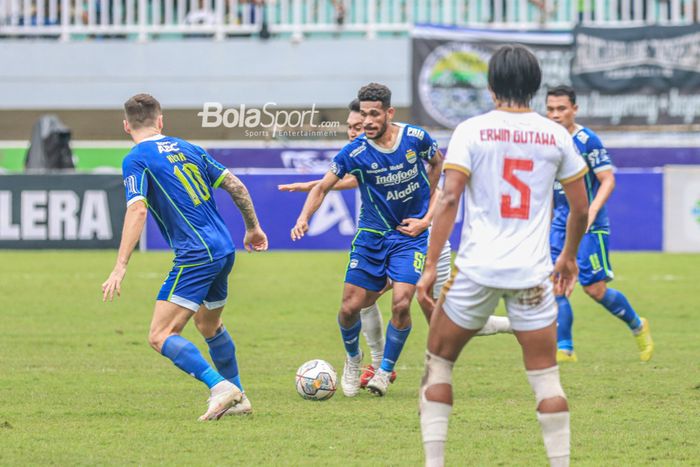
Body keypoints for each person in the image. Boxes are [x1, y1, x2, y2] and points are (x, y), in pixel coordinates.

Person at [417, 45, 589, 467]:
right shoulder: (556, 135)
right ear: (534, 87)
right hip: (532, 273)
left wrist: (428, 266)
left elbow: (449, 197)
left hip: (476, 269)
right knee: (546, 380)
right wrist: (567, 257)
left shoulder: (471, 130)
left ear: (491, 86)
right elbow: (581, 208)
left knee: (438, 366)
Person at [280, 99, 511, 387]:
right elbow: (351, 178)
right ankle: (377, 366)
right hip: (394, 237)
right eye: (353, 125)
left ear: (388, 114)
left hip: (428, 244)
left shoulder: (413, 146)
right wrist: (312, 190)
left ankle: (513, 324)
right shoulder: (359, 152)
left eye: (364, 120)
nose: (357, 129)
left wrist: (425, 221)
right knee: (364, 303)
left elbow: (438, 185)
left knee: (447, 319)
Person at [101, 93, 268, 421]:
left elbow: (137, 209)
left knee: (160, 335)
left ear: (126, 126)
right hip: (223, 248)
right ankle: (239, 397)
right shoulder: (189, 148)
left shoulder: (136, 158)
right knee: (209, 324)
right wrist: (253, 228)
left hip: (196, 254)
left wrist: (120, 266)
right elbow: (236, 186)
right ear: (160, 121)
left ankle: (220, 388)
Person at [291, 83, 444, 397]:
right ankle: (353, 359)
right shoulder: (354, 152)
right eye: (363, 114)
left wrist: (425, 213)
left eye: (374, 114)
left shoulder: (415, 138)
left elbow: (438, 163)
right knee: (350, 308)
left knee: (402, 303)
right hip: (371, 235)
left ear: (389, 113)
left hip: (407, 236)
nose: (368, 121)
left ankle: (384, 371)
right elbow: (322, 187)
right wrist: (304, 217)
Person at [545, 85, 654, 363]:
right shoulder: (546, 141)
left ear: (575, 109)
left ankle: (637, 325)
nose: (555, 115)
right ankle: (565, 349)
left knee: (594, 289)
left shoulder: (587, 140)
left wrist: (591, 211)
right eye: (550, 109)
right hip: (560, 223)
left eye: (561, 109)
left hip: (590, 226)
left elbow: (608, 179)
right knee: (555, 282)